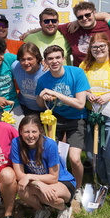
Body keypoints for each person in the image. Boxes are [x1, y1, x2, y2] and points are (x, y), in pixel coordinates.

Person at [35, 45, 90, 197]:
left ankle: (78, 188)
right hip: (55, 119)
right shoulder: (43, 79)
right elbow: (39, 104)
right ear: (45, 61)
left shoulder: (77, 73)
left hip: (76, 118)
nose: (54, 61)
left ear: (63, 58)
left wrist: (55, 94)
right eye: (50, 59)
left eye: (57, 57)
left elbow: (80, 104)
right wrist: (42, 97)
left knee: (74, 157)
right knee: (51, 155)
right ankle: (56, 184)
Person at [80, 33, 110, 197]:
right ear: (90, 49)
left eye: (102, 46)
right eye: (94, 47)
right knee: (94, 153)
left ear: (108, 46)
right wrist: (87, 94)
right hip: (92, 113)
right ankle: (103, 183)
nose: (98, 49)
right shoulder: (85, 65)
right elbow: (79, 88)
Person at [11, 115, 76, 218]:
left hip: (62, 181)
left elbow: (53, 177)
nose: (30, 136)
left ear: (40, 131)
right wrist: (39, 183)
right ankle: (42, 210)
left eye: (34, 131)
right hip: (39, 182)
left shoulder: (49, 145)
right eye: (26, 132)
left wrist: (31, 177)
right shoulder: (16, 143)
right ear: (20, 131)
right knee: (21, 190)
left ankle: (64, 209)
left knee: (49, 195)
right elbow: (19, 175)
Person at [26, 1, 110, 67]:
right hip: (81, 76)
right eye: (80, 17)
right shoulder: (70, 29)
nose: (84, 18)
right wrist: (30, 32)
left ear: (94, 13)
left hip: (108, 74)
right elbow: (51, 27)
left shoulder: (108, 26)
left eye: (87, 15)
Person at [11, 43, 46, 116]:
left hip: (45, 110)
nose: (26, 63)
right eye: (22, 59)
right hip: (24, 107)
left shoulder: (46, 71)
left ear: (38, 59)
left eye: (29, 59)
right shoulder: (15, 66)